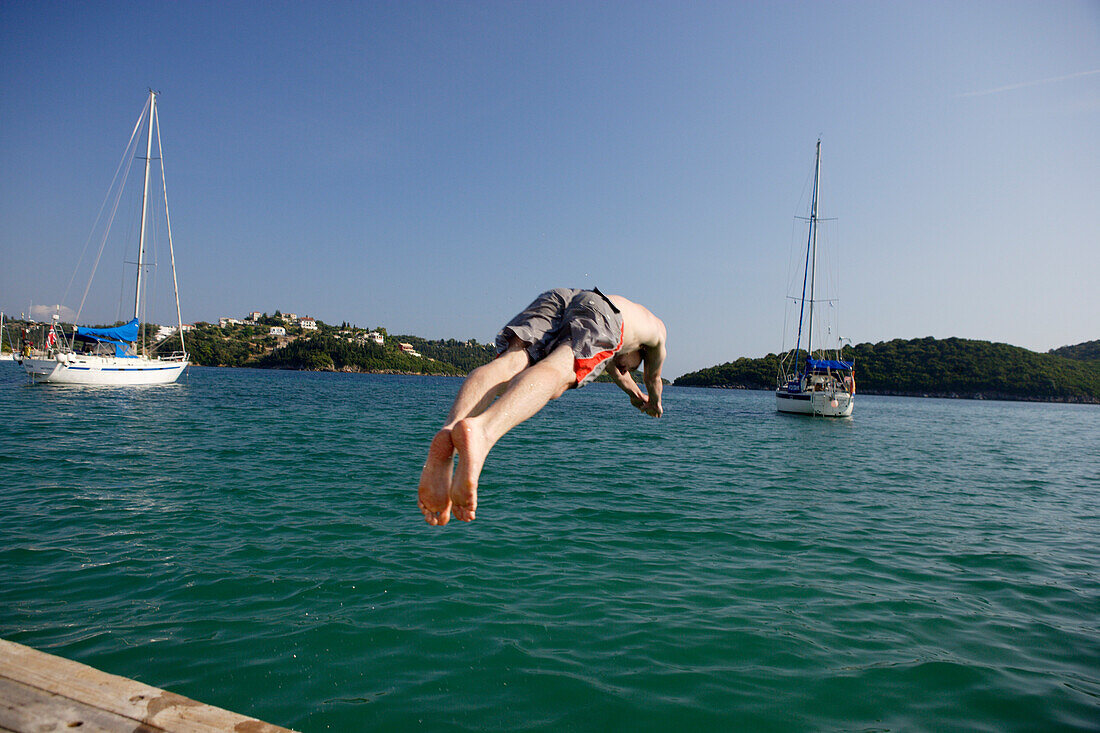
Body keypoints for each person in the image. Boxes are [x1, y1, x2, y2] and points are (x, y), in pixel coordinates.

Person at [417, 288, 667, 526]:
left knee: (509, 364)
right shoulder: (657, 334)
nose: (624, 368)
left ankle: (450, 432)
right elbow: (652, 378)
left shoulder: (632, 324)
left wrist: (635, 395)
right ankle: (482, 433)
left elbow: (616, 369)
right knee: (558, 372)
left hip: (562, 297)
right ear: (642, 352)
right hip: (601, 313)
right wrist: (654, 404)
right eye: (629, 366)